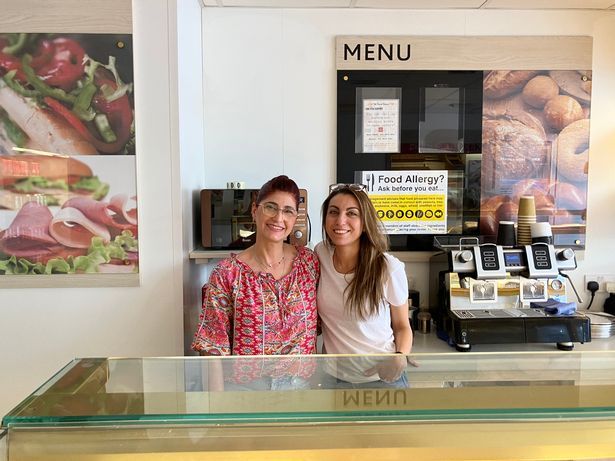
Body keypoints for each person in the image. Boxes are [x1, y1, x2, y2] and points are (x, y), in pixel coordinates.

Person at [192, 175, 319, 390]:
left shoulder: (308, 263)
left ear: (295, 217)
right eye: (271, 207)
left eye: (287, 210)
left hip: (301, 389)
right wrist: (216, 411)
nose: (279, 218)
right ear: (254, 210)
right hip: (246, 390)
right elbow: (212, 348)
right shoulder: (227, 273)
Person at [315, 184, 413, 389]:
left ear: (365, 222)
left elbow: (403, 326)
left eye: (352, 213)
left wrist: (400, 356)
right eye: (333, 212)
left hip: (382, 378)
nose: (340, 220)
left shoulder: (387, 268)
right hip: (334, 379)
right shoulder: (320, 254)